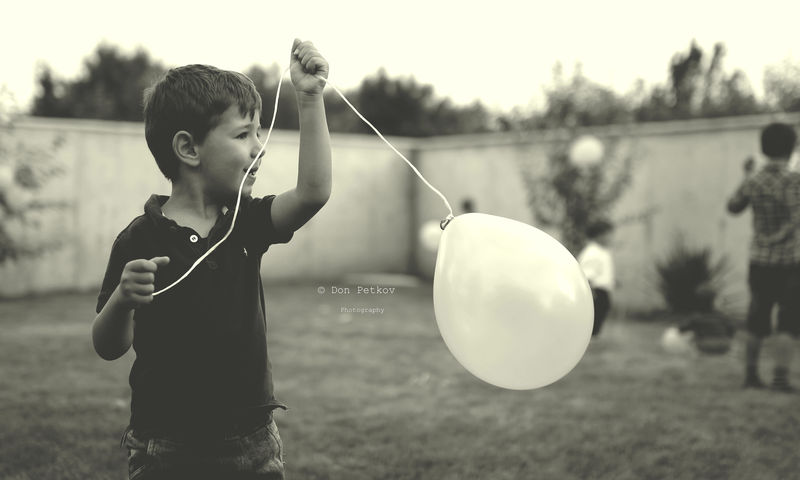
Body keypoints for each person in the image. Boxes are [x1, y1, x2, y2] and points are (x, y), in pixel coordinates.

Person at [91, 39, 331, 479]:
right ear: (189, 149)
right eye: (243, 135)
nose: (259, 147)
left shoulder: (246, 221)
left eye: (258, 132)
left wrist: (310, 98)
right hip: (167, 446)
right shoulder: (139, 238)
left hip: (254, 441)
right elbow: (108, 347)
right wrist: (122, 301)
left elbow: (313, 193)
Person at [727, 122, 800, 393]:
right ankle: (780, 380)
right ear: (791, 148)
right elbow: (796, 218)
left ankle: (751, 377)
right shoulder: (795, 180)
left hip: (759, 260)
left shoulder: (754, 179)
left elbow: (733, 207)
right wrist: (780, 237)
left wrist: (746, 175)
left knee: (757, 318)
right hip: (791, 260)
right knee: (788, 321)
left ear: (763, 147)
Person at [577, 219, 615, 337]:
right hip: (596, 292)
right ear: (599, 235)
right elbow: (587, 274)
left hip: (602, 290)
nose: (610, 238)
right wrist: (591, 292)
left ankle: (594, 335)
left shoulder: (602, 251)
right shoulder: (592, 252)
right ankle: (590, 336)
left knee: (602, 311)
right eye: (608, 235)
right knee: (595, 315)